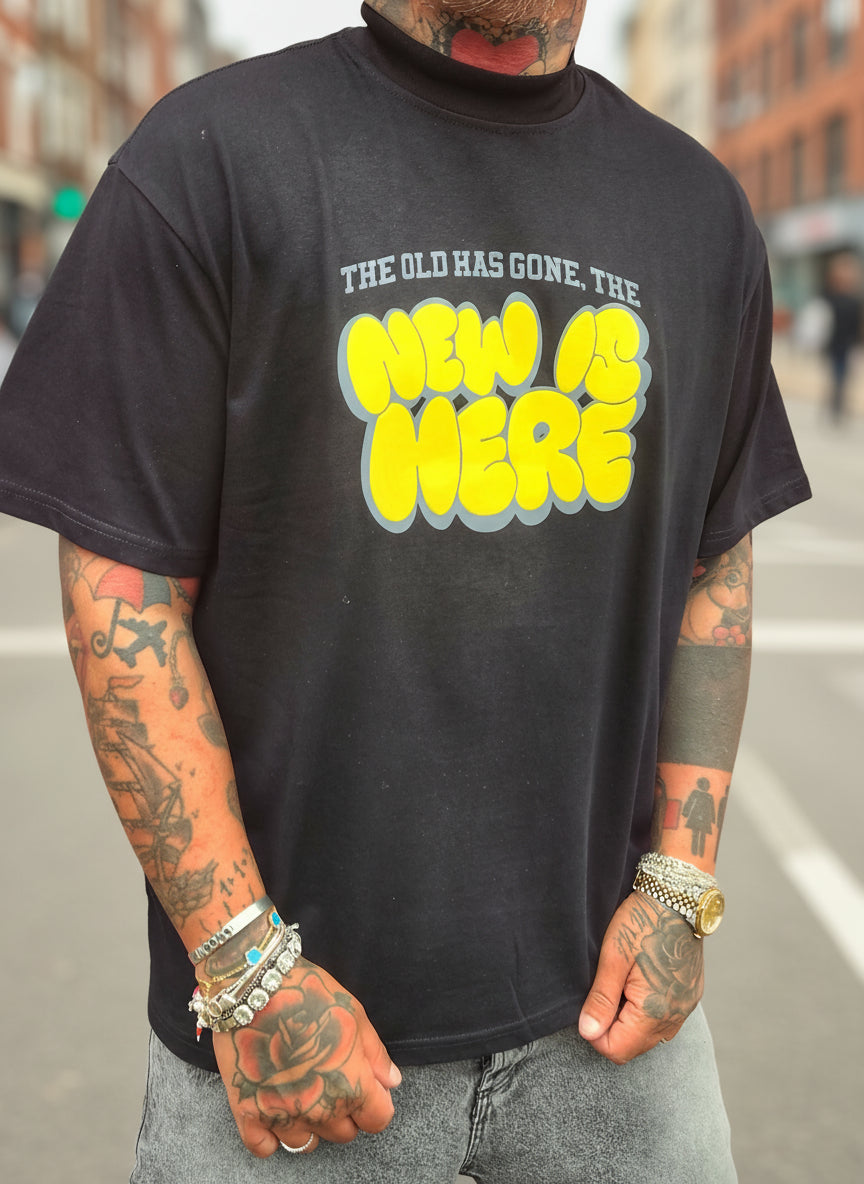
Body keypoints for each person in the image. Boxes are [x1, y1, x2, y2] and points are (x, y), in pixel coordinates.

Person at [0, 3, 811, 1180]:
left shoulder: (697, 207)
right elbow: (124, 590)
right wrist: (244, 966)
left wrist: (681, 886)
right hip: (290, 1037)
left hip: (617, 1033)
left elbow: (714, 564)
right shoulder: (210, 159)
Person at [821, 251, 863, 424]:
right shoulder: (832, 298)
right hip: (837, 344)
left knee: (841, 376)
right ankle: (836, 406)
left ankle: (837, 405)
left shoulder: (850, 300)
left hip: (845, 344)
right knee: (839, 375)